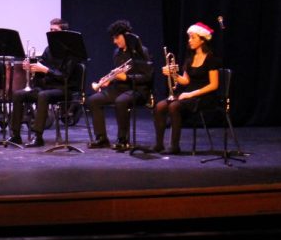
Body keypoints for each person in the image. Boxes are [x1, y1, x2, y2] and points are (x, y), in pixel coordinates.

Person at [149, 22, 220, 154]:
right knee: (159, 106)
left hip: (204, 96)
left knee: (174, 106)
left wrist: (191, 94)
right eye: (189, 37)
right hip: (188, 94)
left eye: (193, 37)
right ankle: (159, 144)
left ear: (202, 39)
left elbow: (214, 85)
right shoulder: (190, 58)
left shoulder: (211, 59)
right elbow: (186, 81)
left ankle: (174, 146)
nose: (190, 40)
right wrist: (173, 74)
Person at [4, 18, 74, 148]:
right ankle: (16, 135)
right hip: (47, 88)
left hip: (63, 88)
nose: (52, 33)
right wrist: (32, 68)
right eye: (51, 30)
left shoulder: (70, 52)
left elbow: (65, 76)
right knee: (18, 94)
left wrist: (45, 70)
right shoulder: (49, 49)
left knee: (43, 95)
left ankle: (38, 136)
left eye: (55, 30)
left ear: (64, 32)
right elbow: (43, 71)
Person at [86, 20, 153, 151]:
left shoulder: (141, 52)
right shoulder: (117, 53)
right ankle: (101, 138)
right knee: (94, 100)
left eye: (117, 38)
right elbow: (118, 73)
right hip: (120, 88)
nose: (115, 41)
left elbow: (147, 77)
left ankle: (123, 139)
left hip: (137, 90)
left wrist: (127, 77)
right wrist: (109, 80)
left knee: (121, 101)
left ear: (126, 35)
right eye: (113, 38)